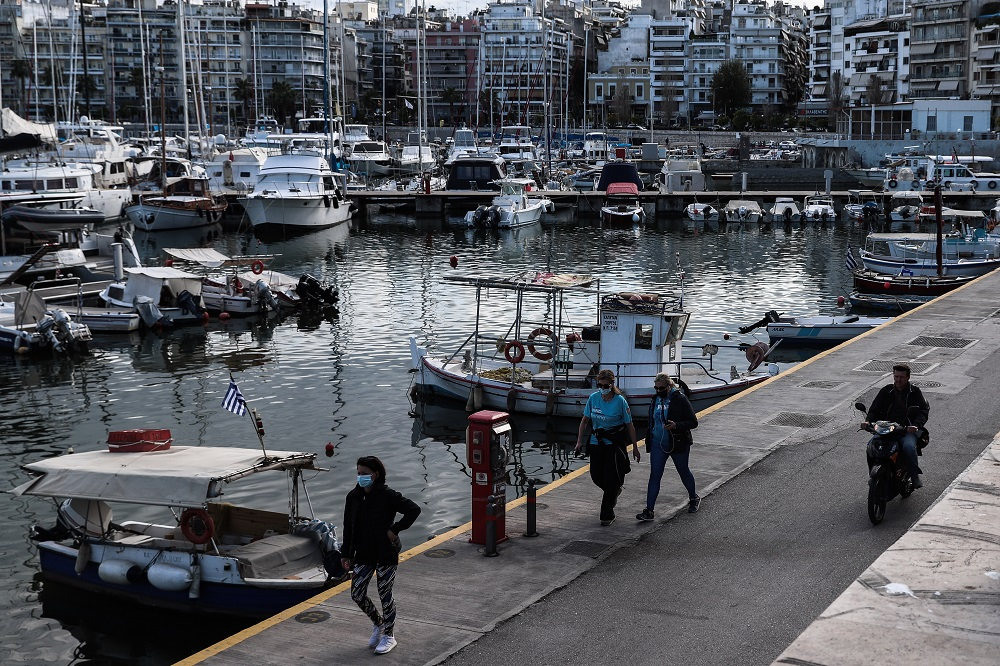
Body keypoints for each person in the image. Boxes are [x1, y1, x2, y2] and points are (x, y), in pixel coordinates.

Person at [341, 456, 421, 655]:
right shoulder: (353, 497)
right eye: (358, 473)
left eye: (365, 474)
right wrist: (346, 553)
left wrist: (395, 530)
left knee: (385, 594)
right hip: (364, 553)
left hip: (386, 553)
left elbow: (413, 510)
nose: (361, 477)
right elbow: (348, 527)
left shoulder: (388, 495)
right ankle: (378, 623)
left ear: (375, 475)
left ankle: (389, 635)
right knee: (357, 594)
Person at [574, 369, 640, 526]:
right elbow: (584, 421)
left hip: (614, 444)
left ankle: (606, 514)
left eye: (605, 385)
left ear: (612, 384)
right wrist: (579, 441)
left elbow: (630, 425)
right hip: (596, 442)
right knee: (596, 476)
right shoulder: (593, 398)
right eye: (600, 385)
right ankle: (615, 491)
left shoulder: (620, 401)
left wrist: (635, 447)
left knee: (611, 478)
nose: (602, 388)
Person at [636, 374, 700, 521]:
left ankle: (693, 497)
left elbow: (693, 422)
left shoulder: (680, 399)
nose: (658, 391)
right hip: (658, 443)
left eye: (661, 388)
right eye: (656, 388)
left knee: (683, 471)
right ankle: (649, 510)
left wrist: (676, 425)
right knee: (655, 476)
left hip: (677, 442)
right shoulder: (655, 399)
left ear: (669, 386)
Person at [861, 363, 930, 488]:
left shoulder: (914, 392)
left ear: (908, 377)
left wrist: (915, 425)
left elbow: (923, 412)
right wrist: (868, 421)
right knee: (871, 447)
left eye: (901, 377)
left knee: (909, 447)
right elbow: (874, 409)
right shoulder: (886, 391)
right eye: (896, 376)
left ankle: (914, 477)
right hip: (885, 430)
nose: (898, 379)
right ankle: (873, 475)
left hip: (906, 431)